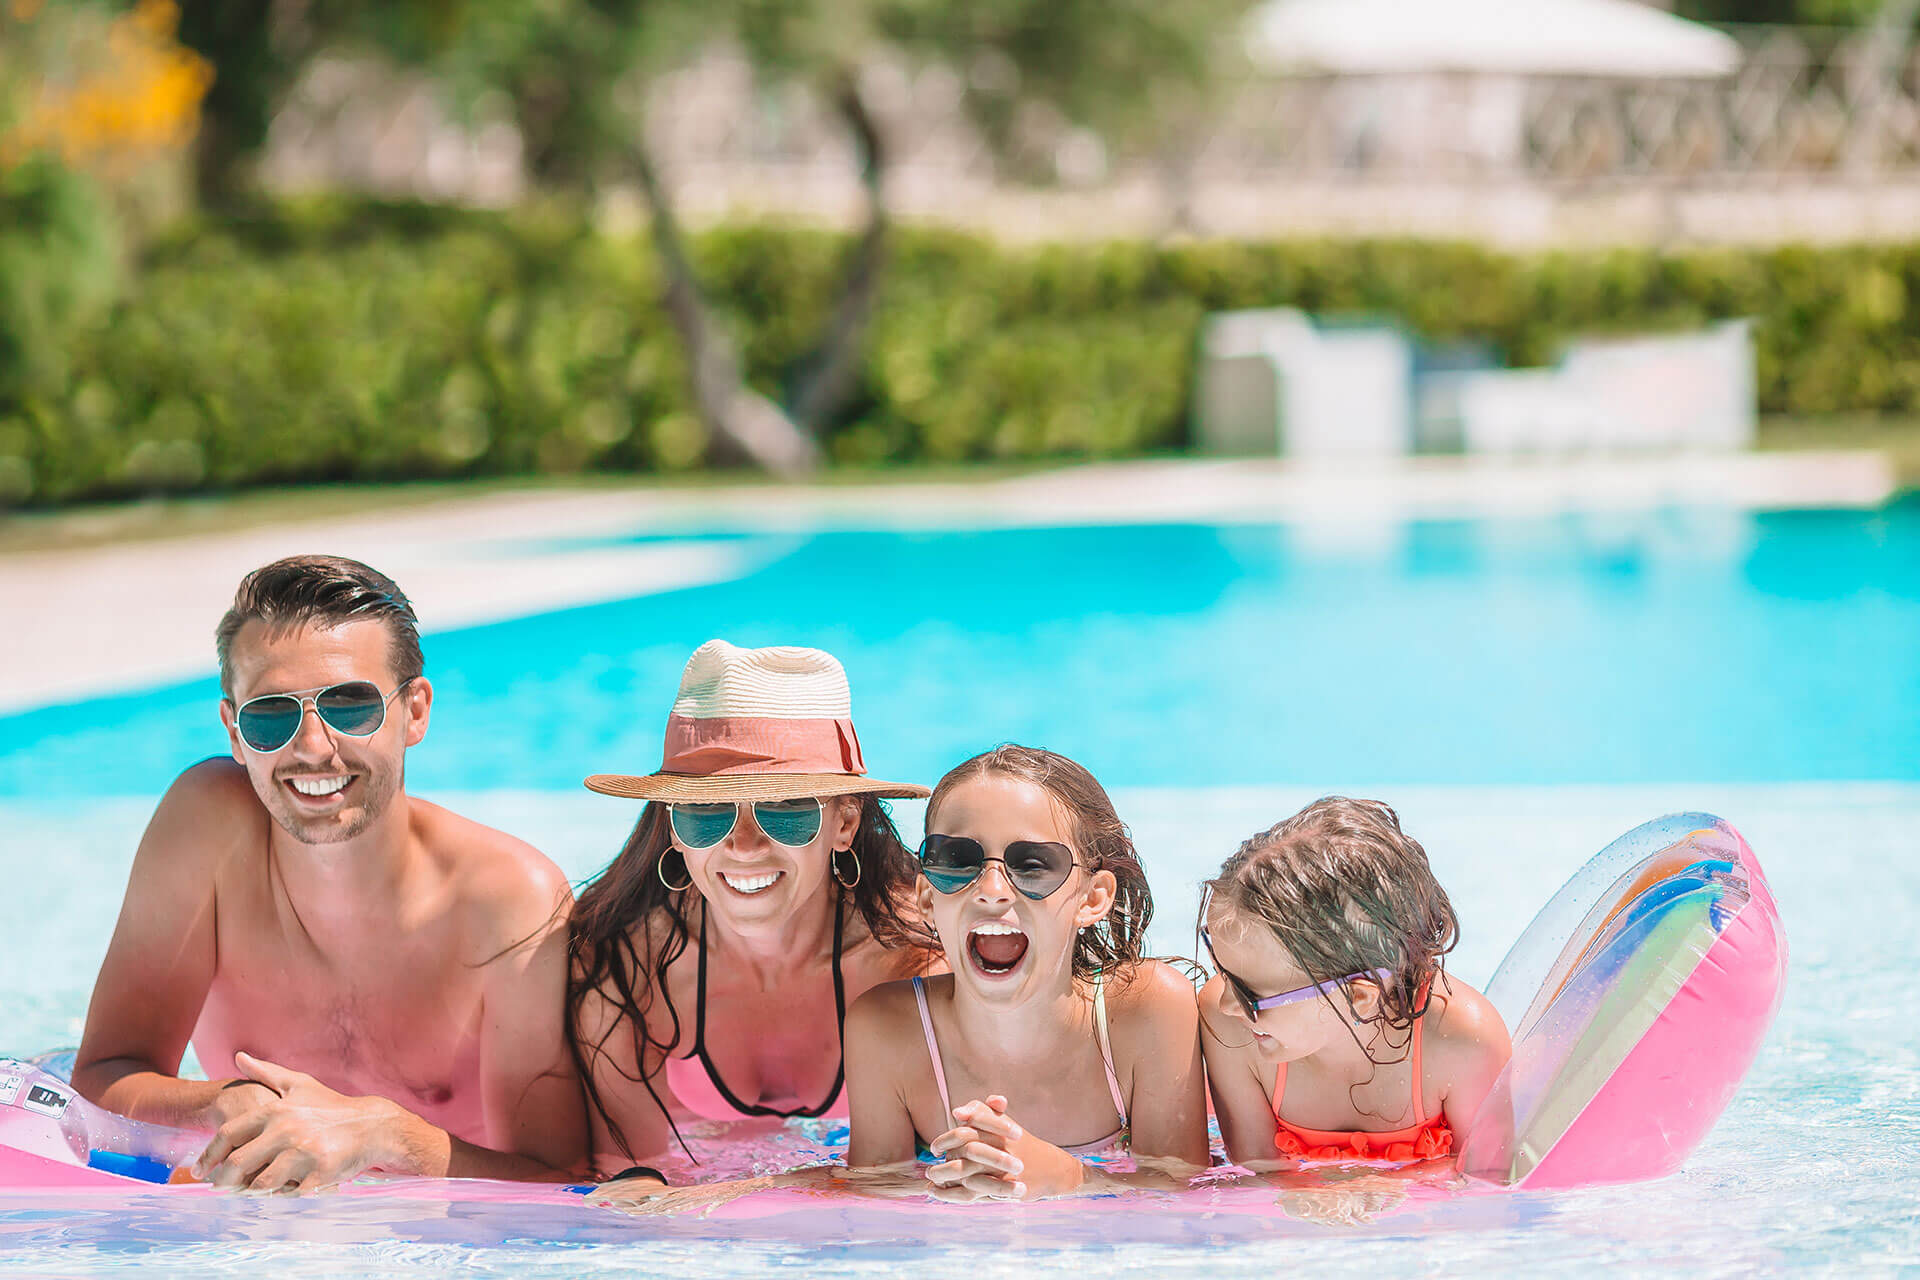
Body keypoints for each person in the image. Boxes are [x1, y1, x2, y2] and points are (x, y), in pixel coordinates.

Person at [72, 555, 586, 1192]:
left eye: (350, 705)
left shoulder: (509, 901)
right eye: (270, 715)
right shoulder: (206, 830)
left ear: (415, 711)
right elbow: (98, 1080)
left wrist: (387, 1135)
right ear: (235, 731)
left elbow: (567, 1183)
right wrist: (218, 1103)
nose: (313, 747)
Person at [568, 641, 936, 1175]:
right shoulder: (626, 965)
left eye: (785, 810)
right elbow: (627, 1177)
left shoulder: (916, 955)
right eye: (706, 810)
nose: (742, 845)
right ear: (672, 827)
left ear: (845, 824)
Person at [843, 746, 1209, 1201]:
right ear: (926, 898)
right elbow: (869, 1209)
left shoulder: (1148, 1011)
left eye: (1032, 865)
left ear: (1092, 898)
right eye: (957, 861)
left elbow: (1188, 1199)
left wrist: (1070, 1178)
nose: (992, 891)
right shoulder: (888, 1030)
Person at [1198, 797, 1511, 1170]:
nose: (1227, 1004)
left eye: (1250, 994)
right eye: (1222, 969)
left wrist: (1361, 1190)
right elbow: (1256, 1174)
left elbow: (1485, 1186)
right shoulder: (1230, 1028)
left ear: (1358, 997)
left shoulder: (1462, 1043)